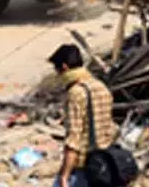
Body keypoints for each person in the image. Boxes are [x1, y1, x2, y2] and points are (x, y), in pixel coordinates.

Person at [49, 43, 118, 187]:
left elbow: (74, 140)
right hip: (105, 161)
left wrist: (64, 176)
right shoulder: (101, 87)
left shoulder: (76, 93)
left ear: (64, 67)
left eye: (57, 70)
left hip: (85, 166)